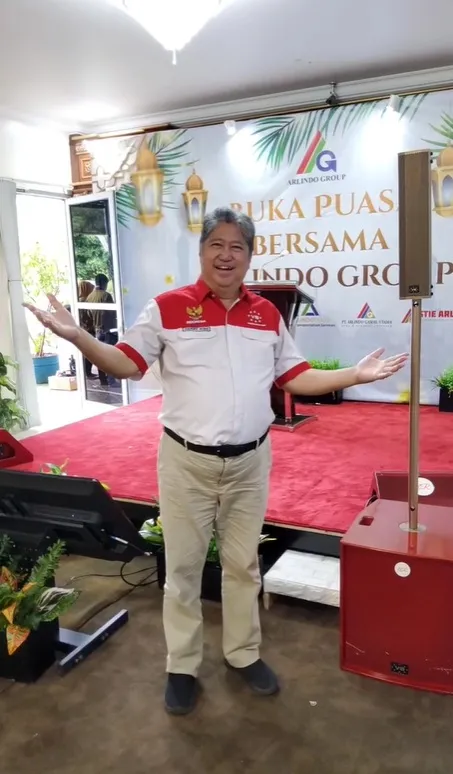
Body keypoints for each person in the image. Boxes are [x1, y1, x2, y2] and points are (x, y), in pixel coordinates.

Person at [24, 207, 408, 715]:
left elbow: (296, 376)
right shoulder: (167, 308)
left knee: (243, 565)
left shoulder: (266, 315)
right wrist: (78, 336)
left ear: (250, 255)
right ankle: (182, 665)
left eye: (237, 246)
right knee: (183, 569)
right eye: (217, 245)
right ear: (202, 250)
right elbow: (126, 364)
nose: (227, 255)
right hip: (187, 463)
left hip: (251, 463)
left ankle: (243, 653)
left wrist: (353, 376)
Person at [85, 274, 117, 386]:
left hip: (97, 330)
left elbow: (88, 314)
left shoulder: (89, 297)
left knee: (101, 357)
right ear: (104, 283)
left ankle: (103, 380)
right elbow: (113, 313)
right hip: (108, 330)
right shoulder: (106, 296)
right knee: (110, 356)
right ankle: (111, 380)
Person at [77, 280, 95, 377]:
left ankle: (86, 373)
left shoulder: (78, 300)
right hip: (88, 330)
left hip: (82, 329)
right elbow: (88, 317)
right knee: (89, 353)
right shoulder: (85, 302)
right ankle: (87, 373)